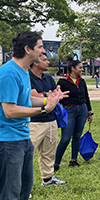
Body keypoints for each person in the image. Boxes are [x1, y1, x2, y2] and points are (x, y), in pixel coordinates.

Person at [0, 31, 67, 200]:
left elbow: (27, 98)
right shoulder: (8, 74)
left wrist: (48, 100)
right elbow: (10, 111)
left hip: (21, 137)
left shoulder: (22, 72)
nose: (44, 50)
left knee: (24, 186)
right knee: (10, 191)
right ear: (28, 49)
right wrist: (44, 110)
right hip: (5, 140)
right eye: (40, 46)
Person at [29, 53, 66, 187]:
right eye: (45, 60)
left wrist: (50, 95)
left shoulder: (48, 78)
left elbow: (55, 94)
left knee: (49, 152)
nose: (48, 62)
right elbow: (32, 95)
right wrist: (47, 95)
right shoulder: (27, 77)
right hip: (34, 121)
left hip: (51, 120)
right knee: (28, 154)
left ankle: (47, 179)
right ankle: (22, 185)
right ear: (36, 62)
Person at [54, 58, 94, 171]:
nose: (82, 69)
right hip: (69, 110)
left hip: (82, 110)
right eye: (80, 67)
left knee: (77, 136)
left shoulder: (82, 81)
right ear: (73, 68)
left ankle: (73, 160)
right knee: (65, 138)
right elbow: (58, 97)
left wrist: (89, 112)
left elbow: (86, 97)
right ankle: (56, 163)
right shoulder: (62, 82)